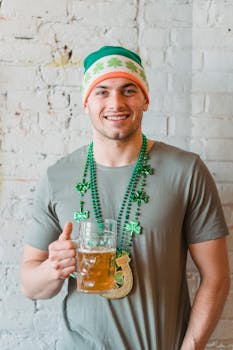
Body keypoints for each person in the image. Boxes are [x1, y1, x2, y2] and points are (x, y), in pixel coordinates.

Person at [20, 46, 230, 350]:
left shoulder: (186, 171)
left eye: (129, 90)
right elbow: (29, 284)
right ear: (86, 102)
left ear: (145, 98)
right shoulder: (57, 176)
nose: (115, 103)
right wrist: (52, 268)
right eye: (102, 91)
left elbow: (217, 277)